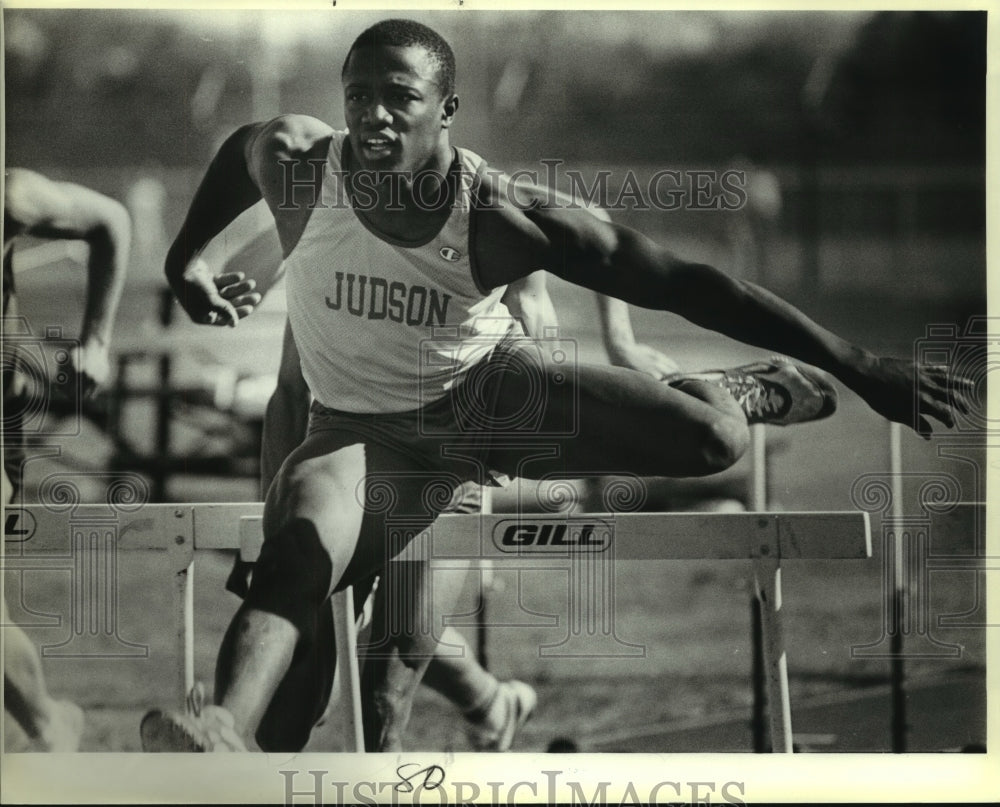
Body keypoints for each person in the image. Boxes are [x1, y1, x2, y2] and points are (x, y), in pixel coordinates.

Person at [140, 19, 969, 754]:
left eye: (400, 96)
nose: (373, 115)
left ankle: (730, 390)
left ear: (448, 109)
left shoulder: (500, 218)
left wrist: (862, 367)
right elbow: (237, 151)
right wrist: (187, 261)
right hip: (359, 435)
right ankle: (218, 730)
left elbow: (688, 282)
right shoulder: (298, 165)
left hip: (493, 402)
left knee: (712, 441)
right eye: (358, 94)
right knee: (296, 567)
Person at [213, 223, 680, 753]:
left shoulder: (473, 211)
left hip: (447, 469)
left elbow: (590, 226)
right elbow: (289, 392)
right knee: (295, 701)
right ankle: (493, 705)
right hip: (336, 474)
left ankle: (460, 723)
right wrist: (268, 535)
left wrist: (620, 342)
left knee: (388, 681)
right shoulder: (328, 235)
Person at [3, 167, 131, 751]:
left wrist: (97, 342)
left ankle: (51, 726)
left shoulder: (10, 197)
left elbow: (111, 220)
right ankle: (49, 723)